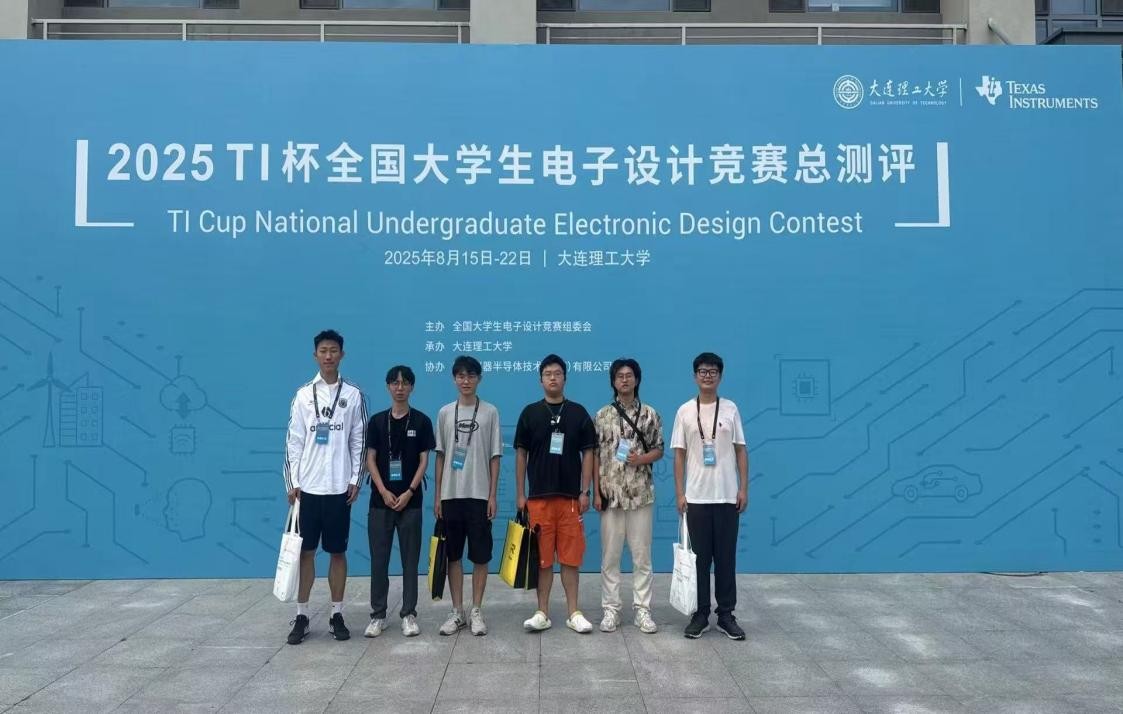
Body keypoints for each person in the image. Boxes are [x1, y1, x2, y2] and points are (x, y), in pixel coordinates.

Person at [282, 329, 367, 645]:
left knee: (337, 552)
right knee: (306, 553)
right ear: (315, 355)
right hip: (308, 489)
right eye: (323, 350)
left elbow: (359, 440)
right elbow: (293, 442)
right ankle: (302, 614)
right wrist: (292, 483)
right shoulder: (304, 395)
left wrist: (355, 479)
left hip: (338, 489)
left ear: (342, 354)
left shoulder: (353, 394)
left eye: (333, 350)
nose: (328, 355)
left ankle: (336, 613)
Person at [514, 354, 597, 634]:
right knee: (543, 560)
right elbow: (521, 455)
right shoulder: (529, 413)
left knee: (571, 559)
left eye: (557, 373)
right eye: (548, 373)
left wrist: (585, 491)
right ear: (540, 380)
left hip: (571, 500)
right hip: (538, 500)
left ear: (565, 378)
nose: (553, 377)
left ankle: (574, 612)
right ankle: (542, 612)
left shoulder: (578, 413)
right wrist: (521, 494)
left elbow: (588, 453)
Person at [671, 352, 749, 641]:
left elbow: (740, 449)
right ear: (695, 376)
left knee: (726, 559)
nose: (707, 375)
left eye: (713, 371)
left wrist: (743, 488)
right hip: (696, 499)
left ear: (720, 376)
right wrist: (680, 492)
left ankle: (726, 614)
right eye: (703, 371)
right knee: (699, 561)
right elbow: (679, 455)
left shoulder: (730, 409)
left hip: (727, 497)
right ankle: (700, 614)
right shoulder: (684, 411)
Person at [593, 358, 664, 634]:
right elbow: (595, 456)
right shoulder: (602, 415)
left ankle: (642, 610)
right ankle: (611, 609)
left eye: (629, 375)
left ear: (637, 379)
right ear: (613, 381)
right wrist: (595, 491)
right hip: (610, 496)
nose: (624, 379)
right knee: (610, 557)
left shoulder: (650, 414)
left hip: (640, 495)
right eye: (620, 376)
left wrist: (641, 459)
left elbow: (658, 449)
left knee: (641, 556)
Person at [364, 365, 435, 638]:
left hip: (410, 503)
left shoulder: (421, 421)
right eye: (395, 382)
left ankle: (409, 614)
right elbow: (370, 459)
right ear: (388, 387)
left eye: (405, 383)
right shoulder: (377, 422)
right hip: (380, 502)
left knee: (410, 561)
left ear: (412, 387)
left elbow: (424, 460)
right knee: (378, 561)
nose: (400, 387)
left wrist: (409, 491)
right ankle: (378, 615)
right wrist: (383, 490)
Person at [434, 356, 502, 637]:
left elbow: (495, 456)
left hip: (479, 494)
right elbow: (440, 456)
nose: (466, 380)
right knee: (453, 556)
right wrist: (438, 496)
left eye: (471, 375)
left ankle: (476, 610)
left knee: (480, 556)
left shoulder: (490, 412)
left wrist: (492, 495)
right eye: (461, 375)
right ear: (454, 379)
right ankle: (457, 611)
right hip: (451, 495)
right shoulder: (444, 413)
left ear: (479, 379)